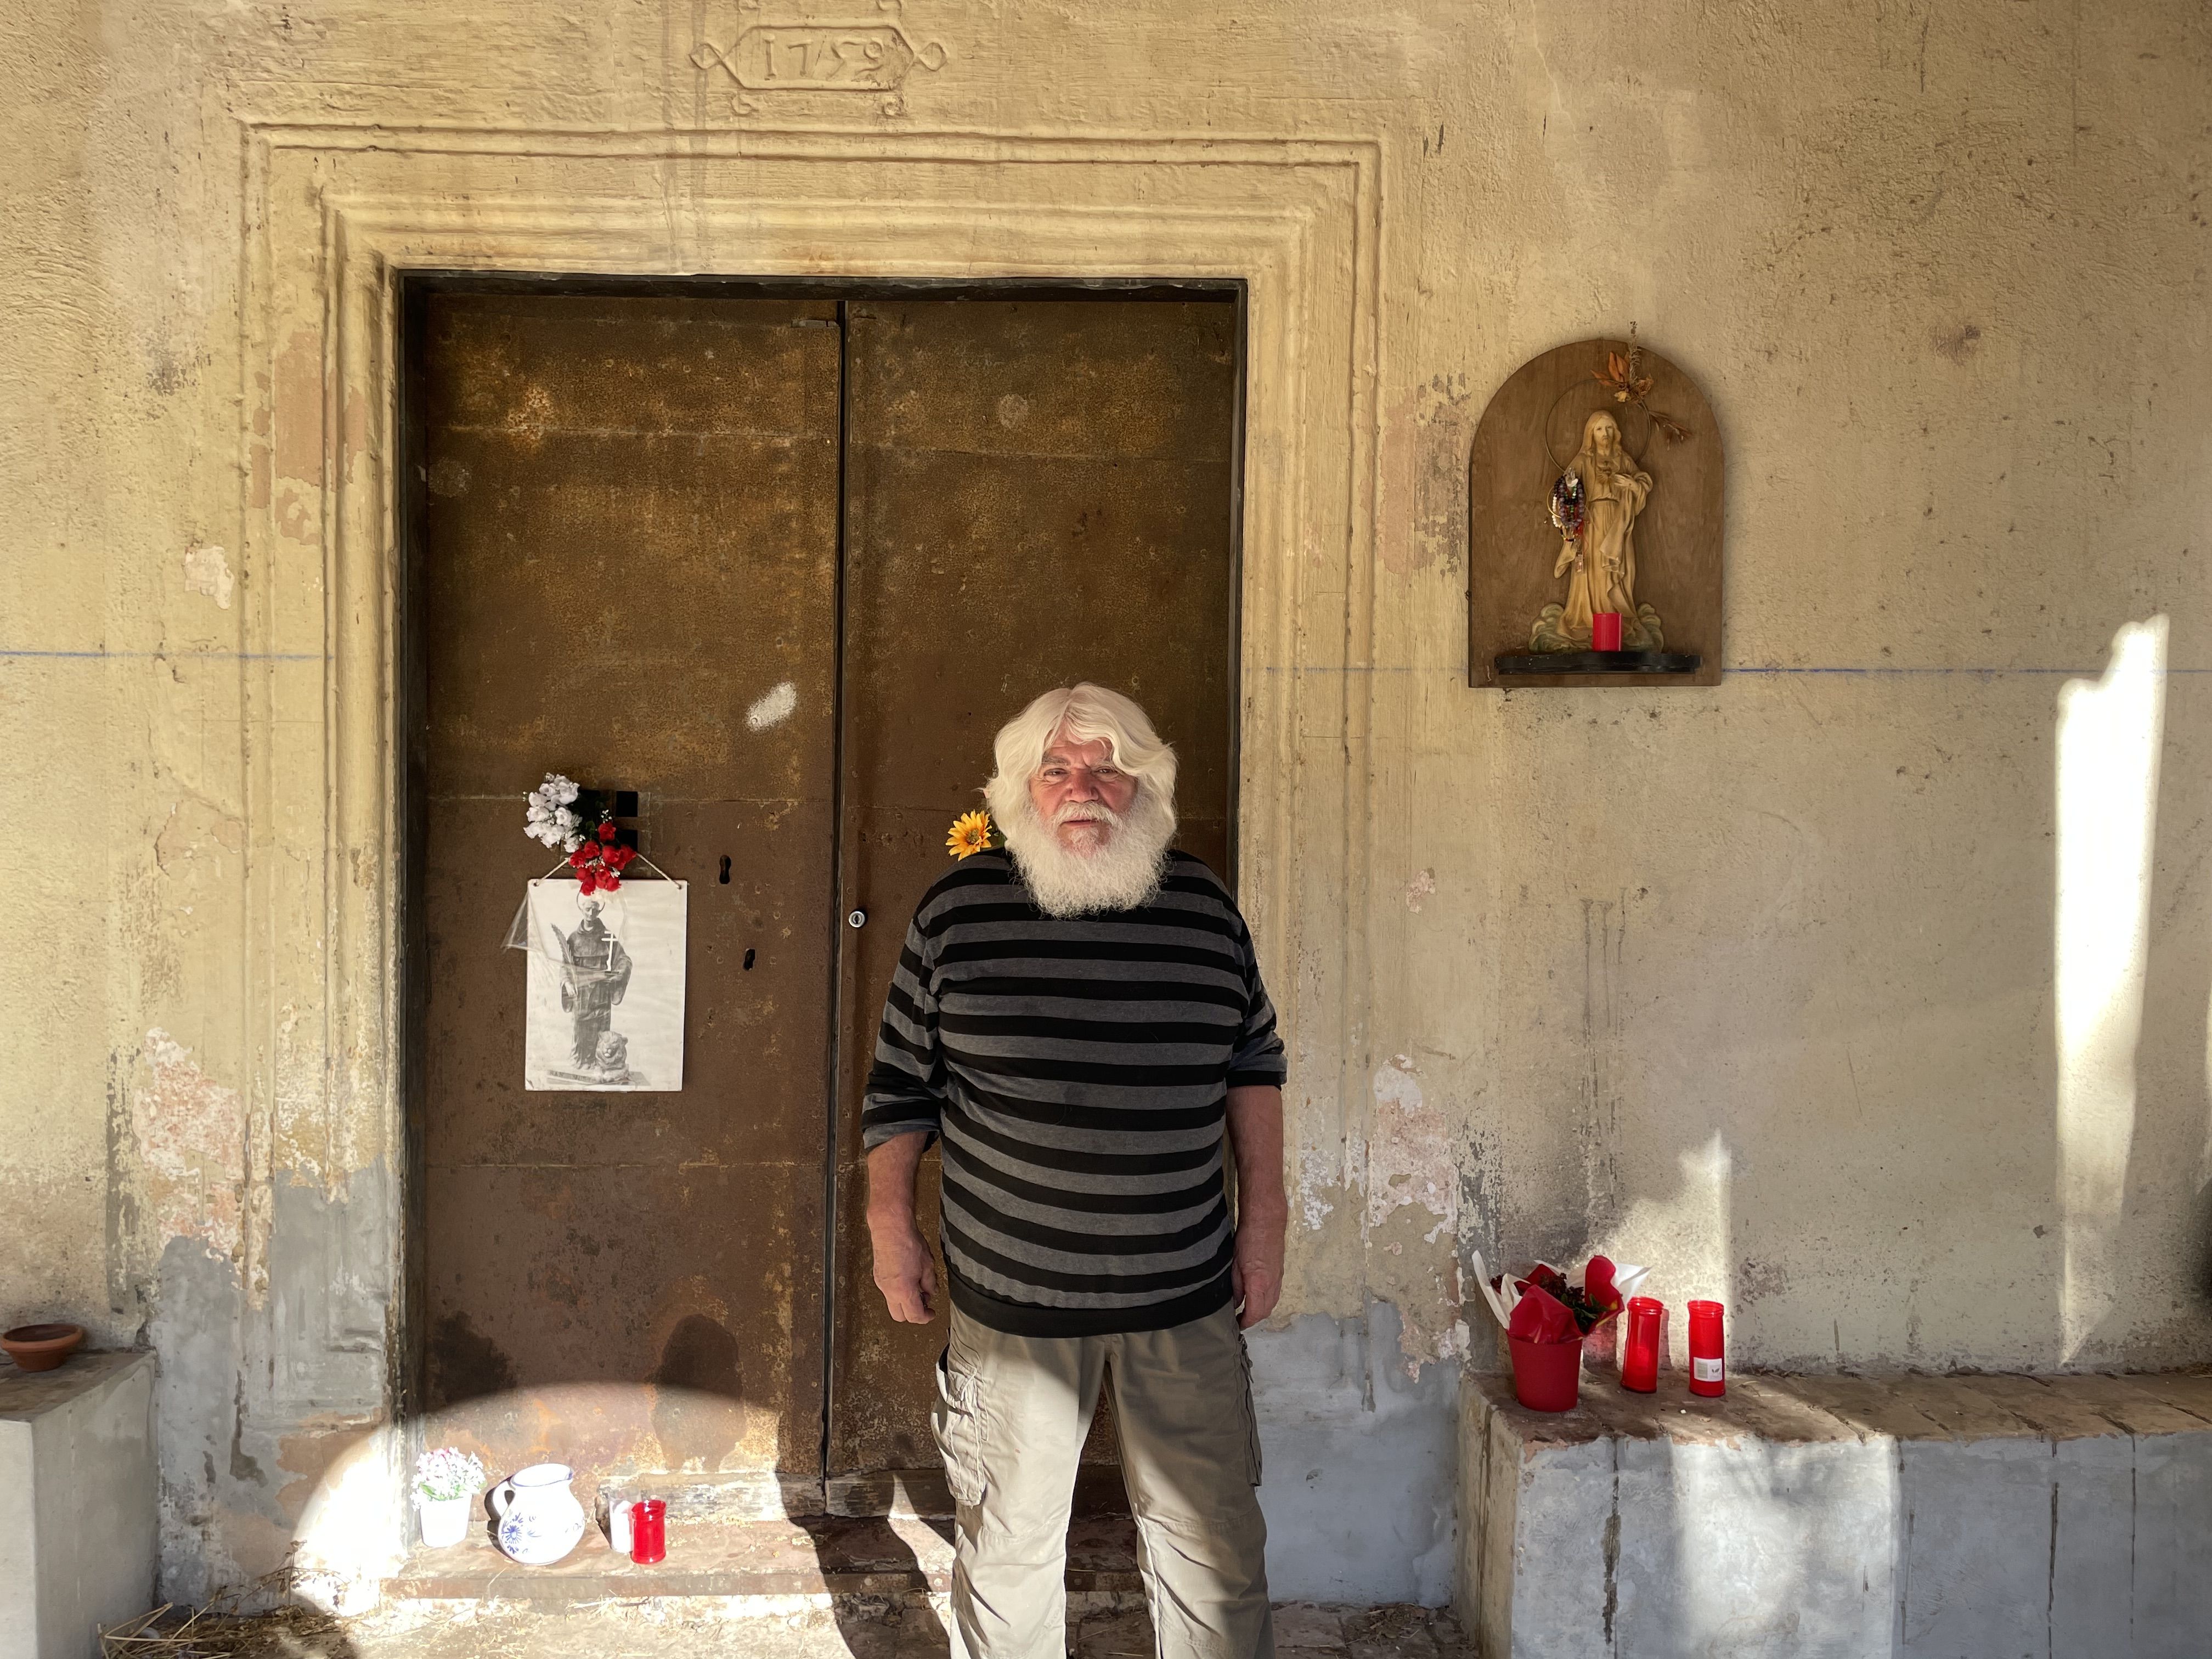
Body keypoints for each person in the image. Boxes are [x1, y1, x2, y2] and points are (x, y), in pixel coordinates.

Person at [862, 683, 1286, 1659]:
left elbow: (1252, 1066)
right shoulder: (956, 911)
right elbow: (899, 1084)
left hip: (1183, 1290)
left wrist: (1265, 1223)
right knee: (1008, 1546)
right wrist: (892, 1228)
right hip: (1012, 1301)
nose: (1082, 788)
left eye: (1108, 766)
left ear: (1149, 785)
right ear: (1022, 790)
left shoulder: (1203, 906)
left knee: (1214, 1545)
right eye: (1057, 769)